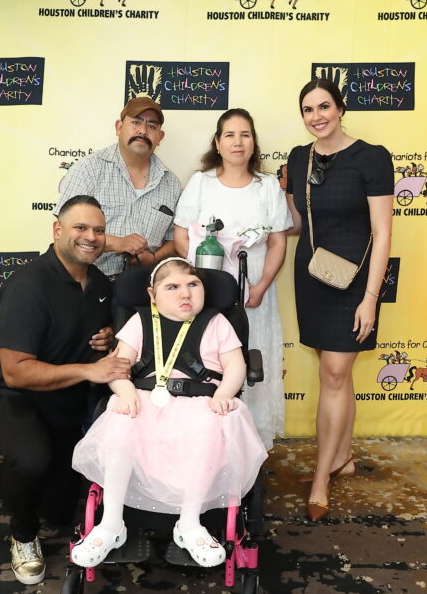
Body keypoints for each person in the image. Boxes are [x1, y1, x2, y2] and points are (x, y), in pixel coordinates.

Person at [0, 195, 131, 585]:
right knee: (33, 463)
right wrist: (90, 369)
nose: (91, 237)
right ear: (57, 230)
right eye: (80, 227)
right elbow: (16, 373)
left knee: (59, 511)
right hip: (13, 396)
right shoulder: (27, 286)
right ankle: (22, 536)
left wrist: (105, 337)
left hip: (65, 398)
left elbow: (89, 335)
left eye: (99, 230)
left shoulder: (100, 284)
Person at [69, 258, 267, 568]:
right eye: (172, 287)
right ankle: (111, 524)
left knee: (209, 429)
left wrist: (224, 394)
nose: (185, 293)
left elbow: (235, 365)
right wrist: (125, 391)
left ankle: (189, 523)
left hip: (201, 402)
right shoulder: (140, 321)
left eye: (193, 285)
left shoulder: (216, 322)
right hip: (144, 399)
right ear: (153, 295)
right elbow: (118, 366)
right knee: (121, 426)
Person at [284, 78, 394, 521]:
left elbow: (382, 233)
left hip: (355, 280)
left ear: (341, 109)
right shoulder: (298, 158)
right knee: (337, 373)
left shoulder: (372, 157)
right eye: (308, 109)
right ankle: (343, 457)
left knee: (333, 373)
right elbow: (296, 224)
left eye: (324, 106)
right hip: (312, 274)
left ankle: (321, 478)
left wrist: (370, 298)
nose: (317, 117)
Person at [172, 108, 292, 449]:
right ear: (217, 142)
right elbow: (181, 236)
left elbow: (278, 242)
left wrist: (261, 286)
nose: (238, 142)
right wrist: (202, 283)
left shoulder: (267, 186)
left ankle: (251, 447)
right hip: (206, 294)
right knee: (210, 360)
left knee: (251, 359)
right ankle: (209, 445)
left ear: (253, 142)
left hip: (253, 291)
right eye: (230, 135)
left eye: (245, 134)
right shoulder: (201, 182)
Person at [56, 97, 181, 280]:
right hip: (87, 282)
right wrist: (118, 243)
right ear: (119, 127)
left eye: (152, 126)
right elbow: (66, 232)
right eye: (136, 122)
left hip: (143, 285)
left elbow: (173, 239)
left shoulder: (171, 183)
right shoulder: (88, 168)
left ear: (160, 137)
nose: (143, 131)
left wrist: (153, 258)